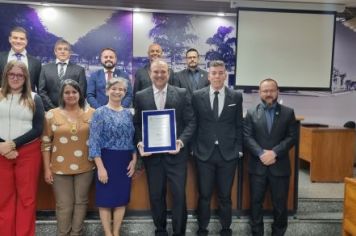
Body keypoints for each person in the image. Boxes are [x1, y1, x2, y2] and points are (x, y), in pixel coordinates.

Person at [134, 59, 195, 236]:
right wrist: (140, 143)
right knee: (156, 196)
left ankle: (179, 232)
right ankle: (160, 231)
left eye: (163, 72)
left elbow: (191, 121)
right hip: (152, 157)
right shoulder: (141, 96)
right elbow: (137, 123)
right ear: (150, 74)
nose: (159, 75)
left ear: (168, 73)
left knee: (179, 196)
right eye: (156, 72)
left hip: (176, 155)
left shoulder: (182, 93)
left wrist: (181, 142)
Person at [191, 60, 243, 236]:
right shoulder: (197, 95)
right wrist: (193, 148)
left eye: (221, 72)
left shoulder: (235, 96)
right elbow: (194, 124)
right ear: (208, 75)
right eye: (214, 73)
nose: (217, 76)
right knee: (204, 195)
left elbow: (239, 125)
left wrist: (239, 149)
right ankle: (202, 228)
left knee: (225, 197)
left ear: (225, 75)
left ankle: (226, 229)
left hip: (228, 155)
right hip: (204, 154)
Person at [244, 78, 298, 236]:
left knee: (280, 206)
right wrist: (261, 154)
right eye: (265, 91)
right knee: (255, 204)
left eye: (271, 90)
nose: (268, 94)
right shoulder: (251, 112)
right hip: (257, 167)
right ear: (260, 93)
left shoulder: (288, 112)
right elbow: (247, 137)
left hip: (279, 166)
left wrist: (274, 153)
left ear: (277, 91)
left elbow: (292, 137)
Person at [41, 79, 95, 236]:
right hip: (59, 168)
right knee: (64, 205)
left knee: (81, 202)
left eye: (74, 92)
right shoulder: (51, 115)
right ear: (62, 95)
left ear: (80, 94)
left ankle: (76, 233)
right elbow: (45, 144)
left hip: (86, 166)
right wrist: (47, 169)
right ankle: (62, 233)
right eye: (67, 92)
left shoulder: (92, 113)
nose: (71, 95)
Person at [0, 61, 44, 236]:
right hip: (1, 151)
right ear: (6, 75)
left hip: (28, 152)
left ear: (25, 77)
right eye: (12, 74)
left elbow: (38, 128)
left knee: (27, 199)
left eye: (20, 75)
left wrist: (13, 144)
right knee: (3, 198)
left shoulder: (35, 98)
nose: (15, 78)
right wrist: (3, 146)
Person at [89, 77, 137, 236]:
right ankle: (108, 233)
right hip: (106, 160)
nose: (118, 92)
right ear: (107, 90)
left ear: (125, 93)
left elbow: (132, 138)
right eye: (114, 89)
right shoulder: (99, 113)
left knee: (121, 200)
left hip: (124, 160)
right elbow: (94, 142)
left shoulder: (128, 114)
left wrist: (134, 159)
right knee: (105, 201)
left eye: (121, 89)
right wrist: (100, 167)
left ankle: (116, 233)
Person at [38, 39, 87, 111]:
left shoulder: (79, 70)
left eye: (66, 49)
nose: (62, 51)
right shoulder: (45, 68)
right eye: (60, 49)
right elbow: (42, 91)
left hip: (72, 111)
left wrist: (69, 108)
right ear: (55, 52)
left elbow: (82, 93)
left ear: (70, 52)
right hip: (50, 111)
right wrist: (53, 110)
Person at [0, 26, 42, 92]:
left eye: (22, 39)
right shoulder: (0, 58)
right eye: (15, 38)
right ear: (10, 39)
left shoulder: (36, 63)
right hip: (2, 100)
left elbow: (39, 87)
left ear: (26, 41)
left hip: (27, 100)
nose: (18, 41)